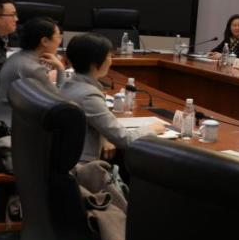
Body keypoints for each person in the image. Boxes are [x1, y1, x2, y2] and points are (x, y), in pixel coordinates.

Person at [62, 33, 164, 163]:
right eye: (109, 56)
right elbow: (125, 139)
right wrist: (152, 129)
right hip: (82, 166)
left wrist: (105, 137)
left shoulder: (68, 83)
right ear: (94, 64)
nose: (111, 61)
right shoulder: (89, 96)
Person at [0, 17, 66, 127]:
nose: (60, 41)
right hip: (8, 126)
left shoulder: (17, 56)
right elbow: (60, 101)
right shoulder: (33, 68)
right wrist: (61, 69)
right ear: (44, 41)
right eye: (58, 37)